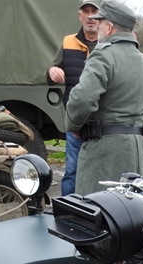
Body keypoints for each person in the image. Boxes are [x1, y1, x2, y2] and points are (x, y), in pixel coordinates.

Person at [65, 0, 143, 195]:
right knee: (135, 208)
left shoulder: (103, 56)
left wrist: (74, 125)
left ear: (109, 27)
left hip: (105, 153)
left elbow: (82, 99)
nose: (97, 27)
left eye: (100, 22)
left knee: (98, 207)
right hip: (138, 150)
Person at [47, 1, 100, 196]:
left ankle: (96, 210)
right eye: (86, 12)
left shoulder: (108, 45)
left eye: (94, 12)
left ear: (101, 18)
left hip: (102, 123)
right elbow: (51, 71)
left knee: (99, 173)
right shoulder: (68, 41)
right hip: (75, 123)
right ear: (80, 16)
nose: (90, 17)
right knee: (72, 172)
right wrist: (52, 72)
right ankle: (67, 209)